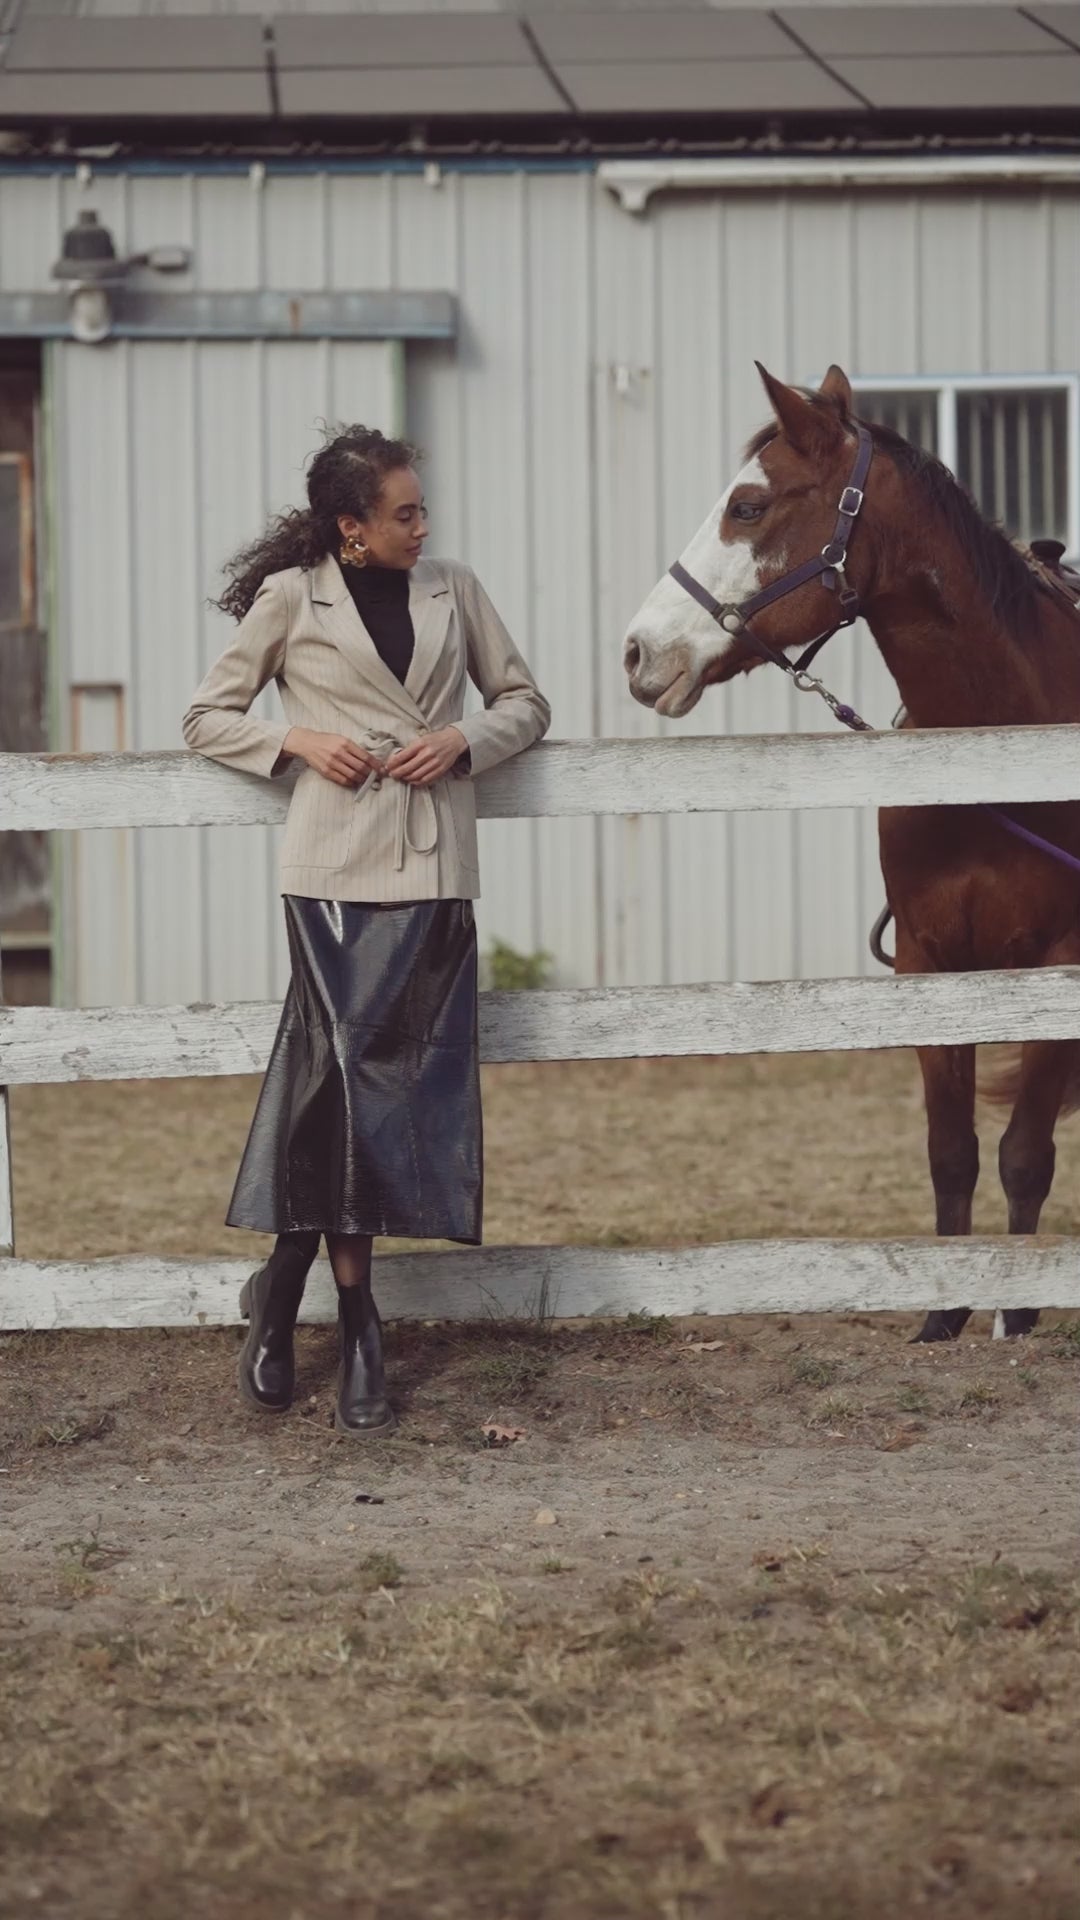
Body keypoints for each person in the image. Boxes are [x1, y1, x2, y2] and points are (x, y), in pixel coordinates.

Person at [182, 425, 550, 1438]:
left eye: (422, 510)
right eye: (403, 513)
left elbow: (525, 700)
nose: (422, 526)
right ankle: (357, 1322)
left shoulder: (455, 590)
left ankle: (281, 1289)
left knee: (377, 1103)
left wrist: (464, 739)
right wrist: (295, 738)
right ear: (352, 528)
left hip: (432, 870)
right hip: (332, 874)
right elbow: (208, 715)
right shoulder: (291, 599)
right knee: (344, 1093)